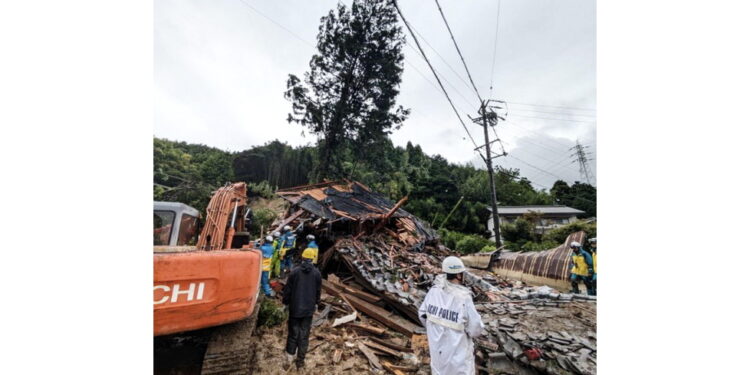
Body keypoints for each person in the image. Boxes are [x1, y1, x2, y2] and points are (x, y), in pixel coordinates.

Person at [418, 256, 484, 375]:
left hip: (438, 354)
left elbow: (422, 315)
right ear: (459, 275)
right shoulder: (464, 298)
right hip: (458, 361)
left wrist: (436, 330)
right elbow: (475, 329)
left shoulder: (433, 291)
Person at [282, 248, 321, 370]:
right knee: (304, 336)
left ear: (302, 257)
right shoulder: (317, 273)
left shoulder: (295, 272)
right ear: (313, 258)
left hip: (295, 309)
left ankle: (289, 360)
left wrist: (285, 302)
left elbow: (287, 290)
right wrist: (316, 304)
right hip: (308, 310)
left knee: (293, 334)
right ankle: (300, 363)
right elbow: (318, 292)